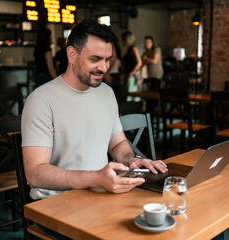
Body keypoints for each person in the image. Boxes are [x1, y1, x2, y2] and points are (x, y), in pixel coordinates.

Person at [22, 20, 167, 199]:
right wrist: (96, 178)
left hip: (102, 194)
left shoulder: (106, 93)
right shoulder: (41, 100)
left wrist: (132, 160)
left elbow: (117, 144)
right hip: (57, 202)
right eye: (95, 59)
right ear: (72, 54)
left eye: (107, 59)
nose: (104, 68)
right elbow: (34, 173)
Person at [120, 31, 142, 101]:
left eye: (122, 39)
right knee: (128, 95)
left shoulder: (133, 48)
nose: (121, 41)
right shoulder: (128, 49)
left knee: (131, 96)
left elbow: (139, 63)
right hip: (128, 75)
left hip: (132, 76)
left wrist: (131, 73)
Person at [104, 35, 122, 101]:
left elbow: (113, 59)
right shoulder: (113, 44)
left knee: (111, 98)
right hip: (114, 72)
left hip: (112, 73)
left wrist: (107, 73)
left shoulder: (110, 44)